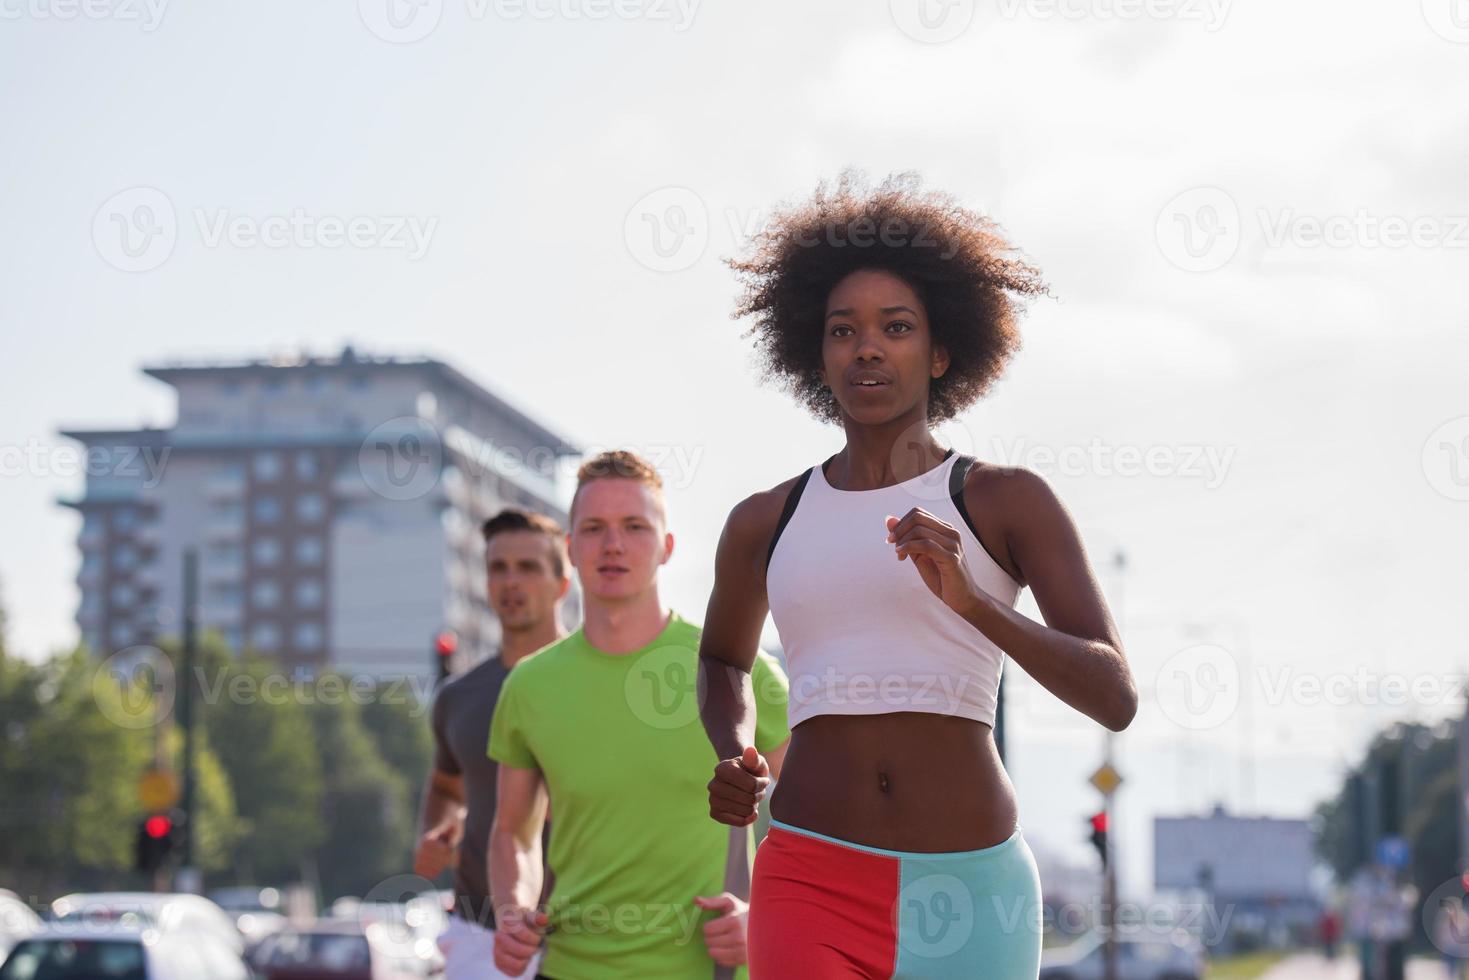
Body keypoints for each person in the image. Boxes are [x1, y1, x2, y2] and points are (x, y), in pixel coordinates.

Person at [699, 172, 1139, 978]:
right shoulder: (764, 520)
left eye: (894, 327)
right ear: (815, 352)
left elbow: (1112, 693)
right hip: (808, 877)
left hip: (972, 889)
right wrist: (733, 751)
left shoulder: (1006, 501)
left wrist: (973, 602)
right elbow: (722, 660)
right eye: (842, 330)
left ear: (939, 351)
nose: (866, 346)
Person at [488, 450, 791, 979]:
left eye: (634, 526)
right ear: (569, 549)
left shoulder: (735, 669)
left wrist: (767, 916)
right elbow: (513, 831)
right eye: (594, 528)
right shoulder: (529, 685)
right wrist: (513, 909)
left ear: (666, 547)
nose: (613, 544)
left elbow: (817, 820)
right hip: (570, 969)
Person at [415, 508, 571, 980]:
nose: (510, 582)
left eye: (528, 567)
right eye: (498, 568)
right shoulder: (457, 697)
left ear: (562, 584)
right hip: (479, 933)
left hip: (585, 933)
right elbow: (446, 785)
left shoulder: (600, 685)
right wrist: (436, 832)